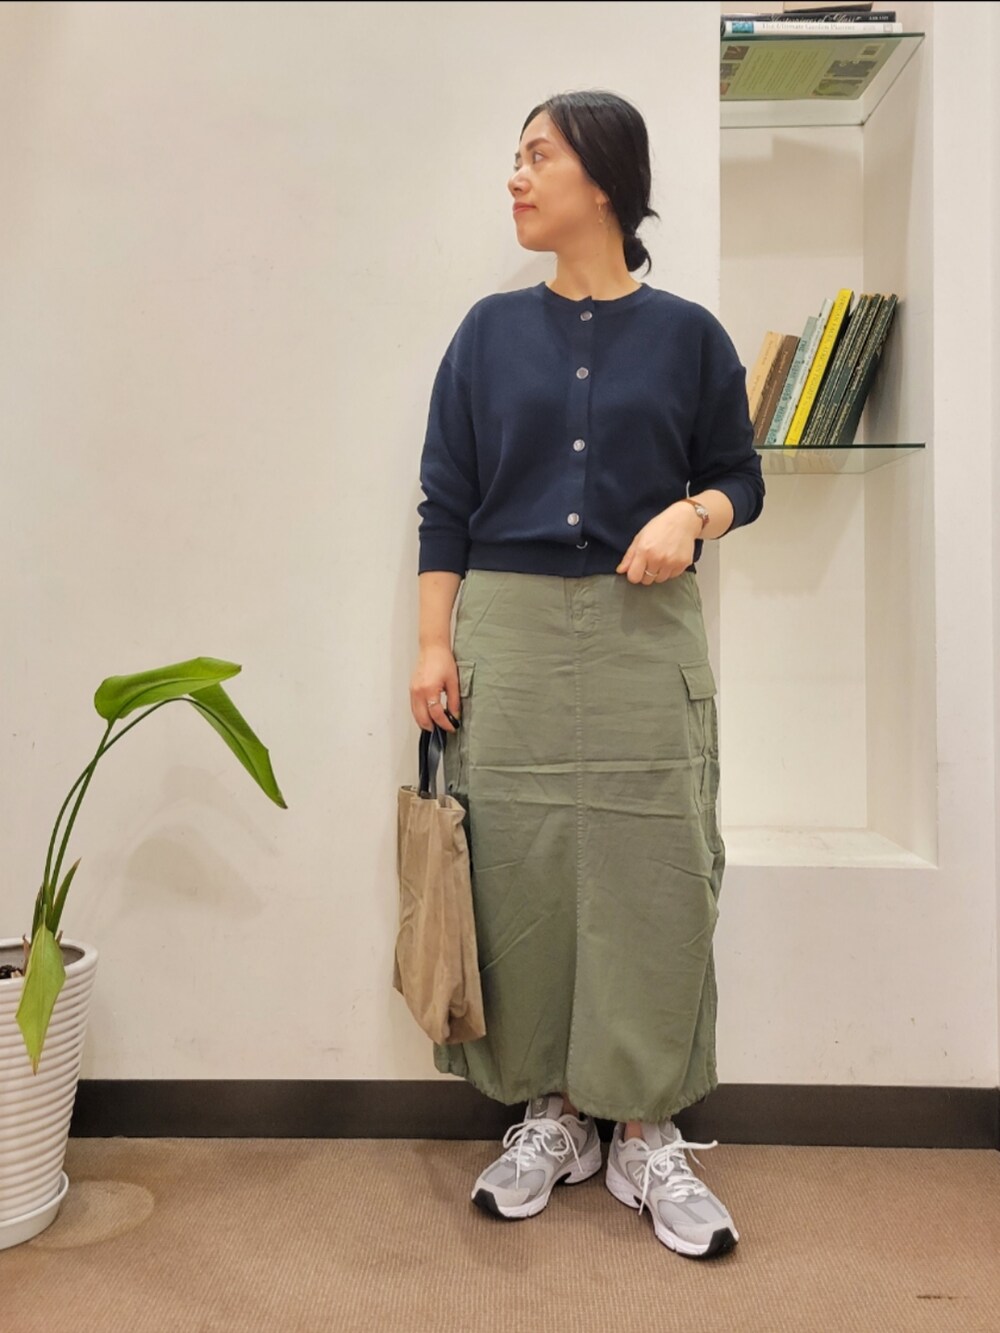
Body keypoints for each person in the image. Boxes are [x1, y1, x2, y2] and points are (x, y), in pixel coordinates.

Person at [409, 90, 764, 1261]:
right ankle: (552, 1112)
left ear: (604, 180)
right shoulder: (484, 334)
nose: (515, 178)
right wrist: (431, 645)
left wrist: (690, 514)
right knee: (520, 870)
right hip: (506, 633)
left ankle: (647, 1127)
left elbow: (740, 479)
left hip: (642, 631)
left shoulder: (690, 336)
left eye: (537, 156)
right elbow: (445, 502)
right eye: (514, 158)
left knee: (656, 870)